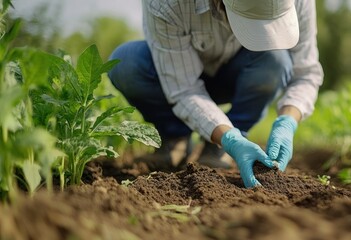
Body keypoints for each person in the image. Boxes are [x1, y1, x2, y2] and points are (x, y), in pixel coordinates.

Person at [108, 0, 323, 188]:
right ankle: (175, 137)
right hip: (174, 76)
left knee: (277, 60)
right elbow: (184, 88)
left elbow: (305, 73)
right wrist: (229, 139)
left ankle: (219, 146)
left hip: (244, 73)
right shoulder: (167, 2)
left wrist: (287, 121)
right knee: (126, 64)